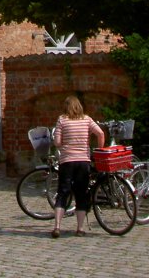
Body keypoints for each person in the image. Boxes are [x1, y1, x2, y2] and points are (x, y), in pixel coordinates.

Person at [51, 95, 104, 237]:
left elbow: (57, 142)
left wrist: (65, 144)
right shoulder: (87, 120)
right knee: (81, 194)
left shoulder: (62, 120)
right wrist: (99, 150)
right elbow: (100, 133)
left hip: (67, 161)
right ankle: (80, 229)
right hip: (83, 161)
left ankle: (57, 226)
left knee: (63, 192)